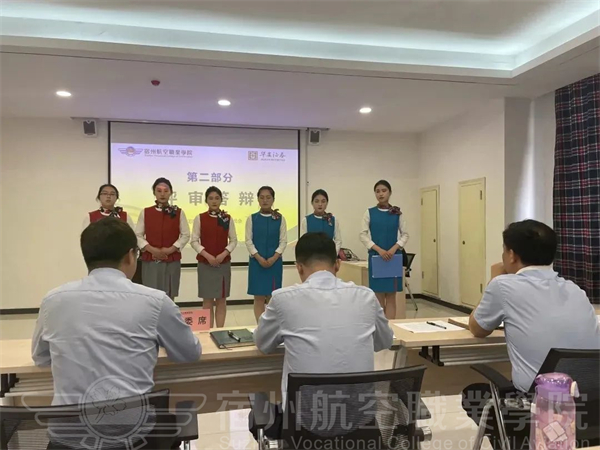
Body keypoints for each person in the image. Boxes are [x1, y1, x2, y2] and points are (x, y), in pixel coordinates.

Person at [32, 218, 201, 448]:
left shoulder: (53, 300)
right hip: (133, 440)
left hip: (67, 441)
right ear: (131, 255)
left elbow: (41, 358)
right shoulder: (155, 301)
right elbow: (189, 353)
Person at [462, 219, 600, 448]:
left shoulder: (503, 286)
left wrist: (494, 279)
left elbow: (477, 328)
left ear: (511, 255)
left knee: (473, 395)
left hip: (538, 408)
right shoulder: (576, 290)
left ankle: (521, 443)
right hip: (591, 406)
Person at [250, 232, 394, 440]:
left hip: (305, 428)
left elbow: (263, 344)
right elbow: (384, 341)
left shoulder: (283, 299)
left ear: (299, 267)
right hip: (360, 425)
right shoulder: (366, 297)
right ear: (338, 265)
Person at [359, 180, 409, 320]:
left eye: (384, 190)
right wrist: (378, 249)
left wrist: (394, 248)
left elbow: (405, 234)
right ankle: (381, 328)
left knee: (391, 295)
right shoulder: (369, 212)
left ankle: (390, 327)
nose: (381, 194)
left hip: (393, 257)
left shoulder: (397, 213)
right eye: (378, 191)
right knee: (378, 295)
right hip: (377, 257)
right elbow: (362, 235)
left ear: (390, 192)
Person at [136, 177, 190, 300]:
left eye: (166, 191)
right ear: (154, 193)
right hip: (150, 260)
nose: (162, 194)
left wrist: (171, 249)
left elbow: (186, 234)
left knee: (169, 295)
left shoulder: (178, 212)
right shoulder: (146, 212)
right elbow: (138, 235)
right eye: (159, 191)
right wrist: (152, 249)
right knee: (150, 295)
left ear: (171, 193)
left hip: (171, 260)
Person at [191, 186, 238, 328]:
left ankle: (220, 330)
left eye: (217, 198)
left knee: (221, 300)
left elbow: (233, 240)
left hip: (223, 265)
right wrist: (207, 255)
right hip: (205, 264)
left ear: (221, 200)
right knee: (207, 301)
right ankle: (207, 332)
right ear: (206, 200)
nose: (214, 201)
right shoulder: (200, 218)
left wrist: (224, 254)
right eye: (211, 198)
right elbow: (194, 241)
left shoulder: (227, 218)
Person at [245, 186, 287, 323]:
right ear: (258, 199)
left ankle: (271, 327)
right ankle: (260, 327)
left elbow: (283, 241)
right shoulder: (252, 218)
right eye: (262, 197)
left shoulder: (280, 219)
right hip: (257, 263)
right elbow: (248, 241)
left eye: (268, 197)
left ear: (273, 200)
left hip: (275, 263)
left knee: (272, 297)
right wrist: (259, 258)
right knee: (258, 297)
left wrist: (274, 258)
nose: (265, 200)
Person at [300, 189, 342, 255]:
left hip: (328, 257)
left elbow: (338, 241)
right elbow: (303, 242)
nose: (320, 204)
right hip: (311, 257)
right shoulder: (306, 220)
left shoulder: (333, 220)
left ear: (327, 203)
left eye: (323, 201)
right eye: (316, 201)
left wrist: (333, 255)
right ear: (312, 203)